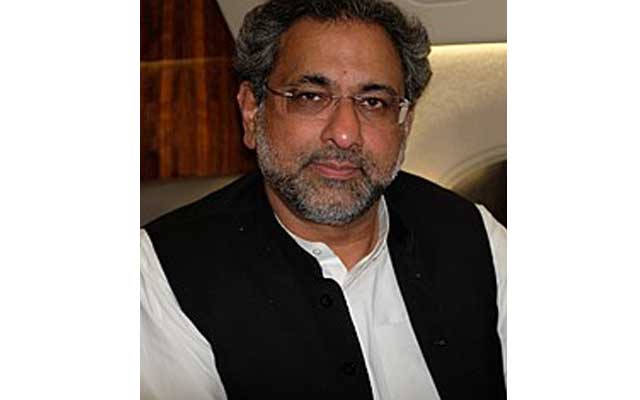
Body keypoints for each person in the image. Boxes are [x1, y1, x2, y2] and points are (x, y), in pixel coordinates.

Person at [140, 0, 506, 399]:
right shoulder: (163, 273)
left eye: (373, 102)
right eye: (311, 97)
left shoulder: (475, 236)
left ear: (405, 124)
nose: (345, 134)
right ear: (252, 112)